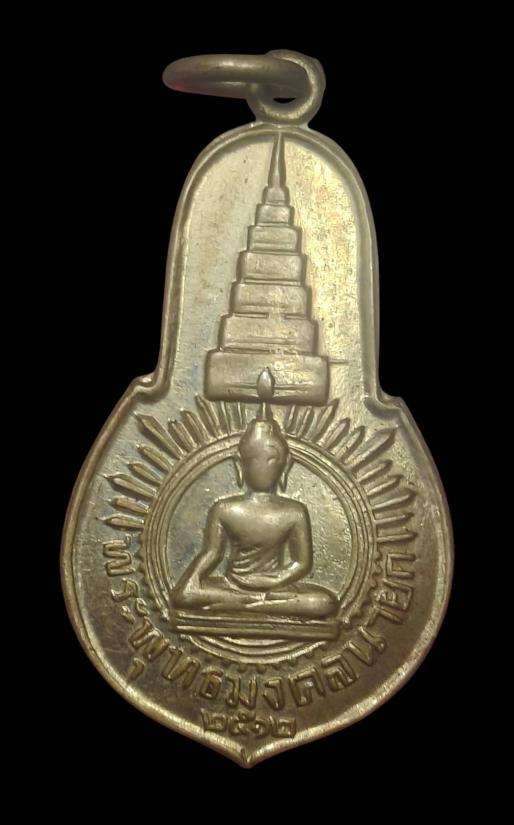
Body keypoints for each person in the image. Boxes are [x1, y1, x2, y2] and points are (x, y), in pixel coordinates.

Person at [171, 384, 337, 619]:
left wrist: (276, 579)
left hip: (275, 589)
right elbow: (211, 554)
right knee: (185, 594)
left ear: (286, 464)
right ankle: (250, 602)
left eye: (271, 460)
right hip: (233, 585)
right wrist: (191, 584)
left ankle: (245, 604)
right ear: (240, 463)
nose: (263, 467)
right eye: (255, 459)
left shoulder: (295, 512)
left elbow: (302, 563)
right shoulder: (224, 509)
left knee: (325, 602)